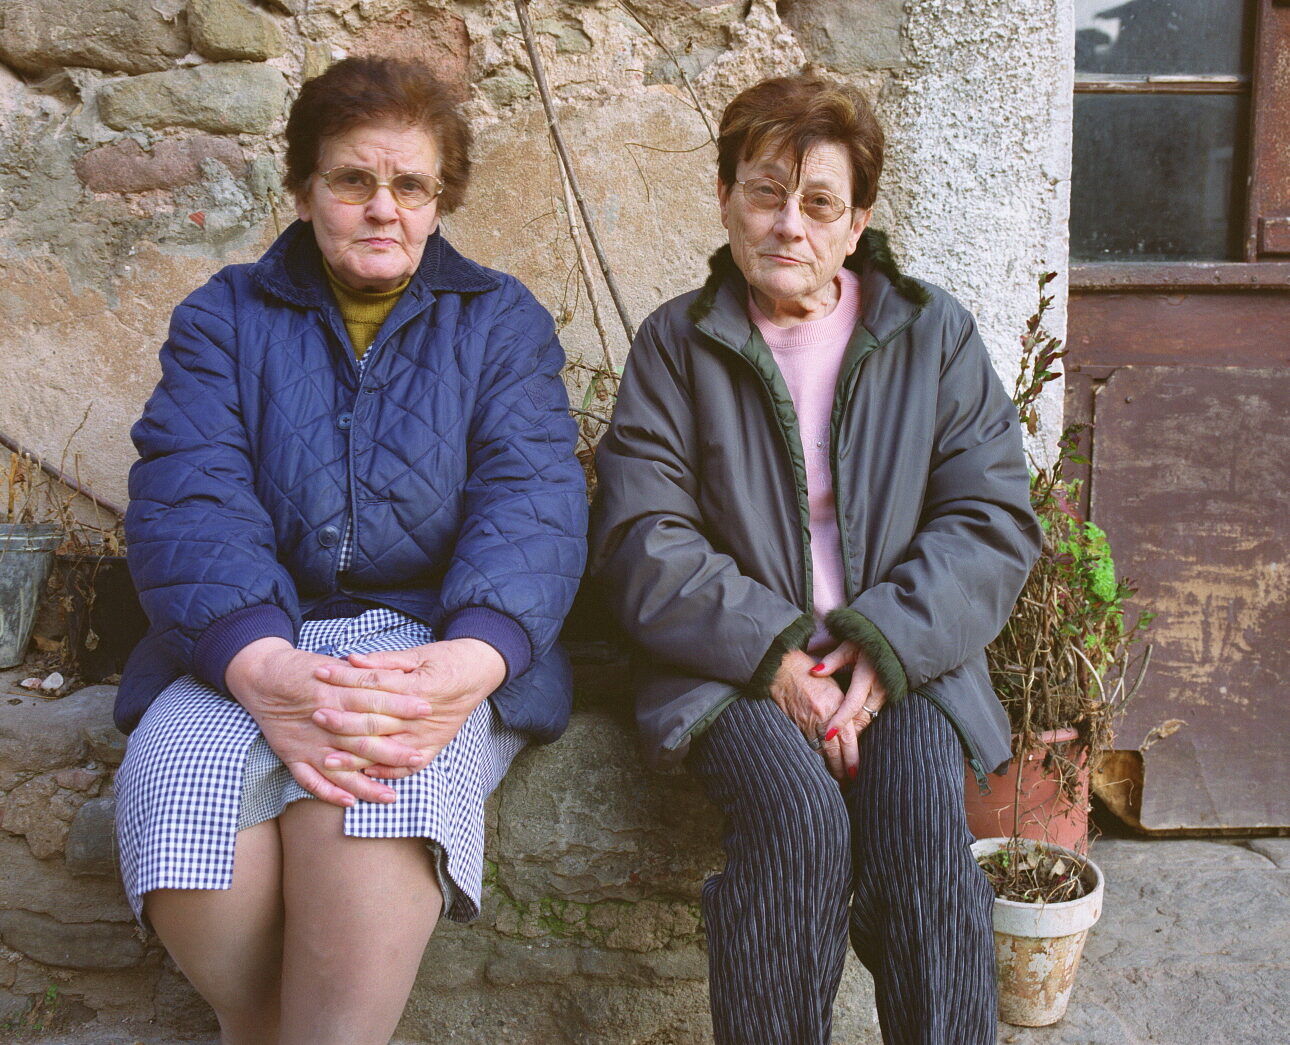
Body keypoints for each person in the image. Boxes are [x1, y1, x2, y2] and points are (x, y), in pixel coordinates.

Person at [113, 57, 586, 1045]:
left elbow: (532, 501)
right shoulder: (223, 317)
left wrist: (473, 658)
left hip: (424, 646)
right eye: (351, 180)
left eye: (410, 185)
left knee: (372, 796)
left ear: (440, 199)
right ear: (303, 188)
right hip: (247, 636)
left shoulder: (499, 323)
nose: (383, 208)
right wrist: (264, 664)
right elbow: (187, 495)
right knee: (185, 788)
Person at [590, 74, 1041, 1044]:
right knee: (795, 825)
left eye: (819, 202)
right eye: (764, 191)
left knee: (923, 824)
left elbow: (991, 518)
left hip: (905, 663)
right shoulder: (675, 348)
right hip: (736, 669)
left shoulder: (933, 336)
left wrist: (882, 648)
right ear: (724, 200)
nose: (788, 224)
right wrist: (780, 659)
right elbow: (640, 538)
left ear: (857, 223)